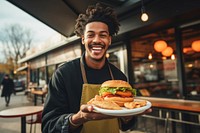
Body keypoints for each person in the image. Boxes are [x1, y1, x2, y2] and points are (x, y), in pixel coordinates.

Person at [42, 3, 151, 133]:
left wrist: (128, 117)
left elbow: (125, 126)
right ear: (83, 39)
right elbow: (48, 126)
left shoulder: (119, 77)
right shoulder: (63, 74)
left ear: (109, 40)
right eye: (90, 35)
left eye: (103, 35)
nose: (96, 40)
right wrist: (79, 118)